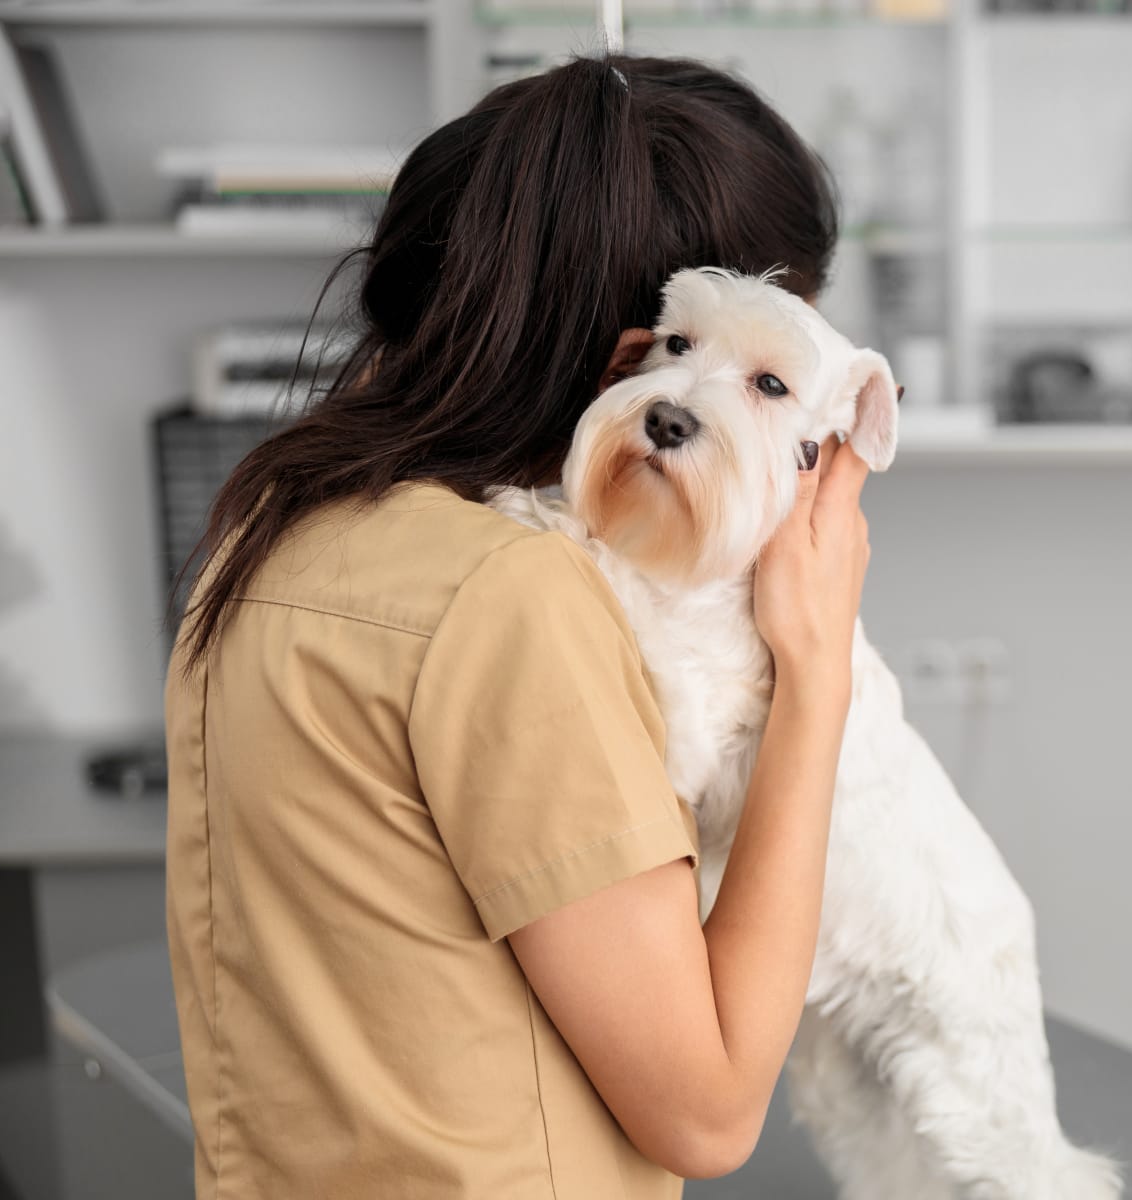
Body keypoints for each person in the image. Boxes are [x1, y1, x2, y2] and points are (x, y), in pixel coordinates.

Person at [163, 52, 871, 1200]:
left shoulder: (272, 526)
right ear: (652, 352)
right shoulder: (506, 597)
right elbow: (710, 1108)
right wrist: (818, 670)